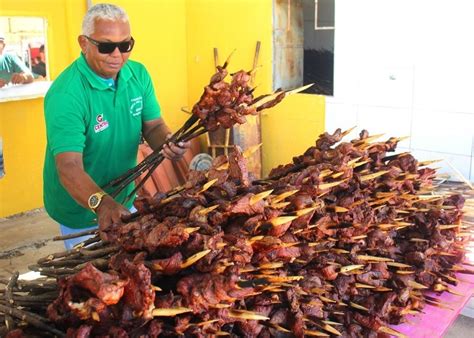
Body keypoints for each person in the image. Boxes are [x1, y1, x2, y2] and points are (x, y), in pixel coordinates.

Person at [43, 3, 190, 249]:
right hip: (81, 209)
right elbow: (68, 167)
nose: (117, 55)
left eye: (125, 45)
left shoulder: (138, 75)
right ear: (84, 43)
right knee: (92, 279)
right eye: (107, 46)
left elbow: (153, 126)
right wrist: (102, 204)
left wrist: (167, 141)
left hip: (122, 198)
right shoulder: (67, 94)